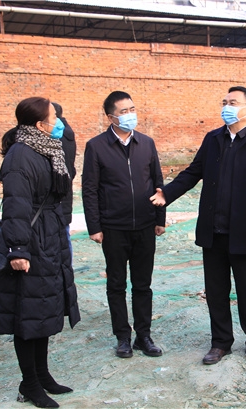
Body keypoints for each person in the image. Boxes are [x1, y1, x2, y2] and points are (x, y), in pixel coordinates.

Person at [150, 86, 246, 367]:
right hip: (214, 231)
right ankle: (221, 342)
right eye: (224, 102)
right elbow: (193, 172)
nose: (226, 107)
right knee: (216, 292)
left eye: (232, 102)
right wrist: (168, 193)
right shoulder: (213, 139)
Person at [0, 97, 81, 408]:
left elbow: (64, 182)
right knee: (27, 312)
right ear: (39, 124)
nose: (59, 122)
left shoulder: (48, 149)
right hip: (30, 240)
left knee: (43, 308)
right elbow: (16, 205)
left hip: (49, 236)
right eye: (54, 118)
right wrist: (18, 249)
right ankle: (29, 384)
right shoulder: (21, 155)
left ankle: (42, 375)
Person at [82, 91, 166, 359]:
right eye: (124, 111)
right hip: (113, 227)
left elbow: (158, 182)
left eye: (132, 109)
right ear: (111, 117)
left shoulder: (147, 143)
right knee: (116, 285)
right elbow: (90, 189)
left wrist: (160, 218)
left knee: (143, 285)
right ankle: (122, 337)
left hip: (145, 226)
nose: (130, 115)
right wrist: (95, 226)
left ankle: (144, 336)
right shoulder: (96, 146)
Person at [51, 102, 76, 259]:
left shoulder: (56, 135)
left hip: (57, 197)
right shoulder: (68, 133)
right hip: (65, 195)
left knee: (60, 241)